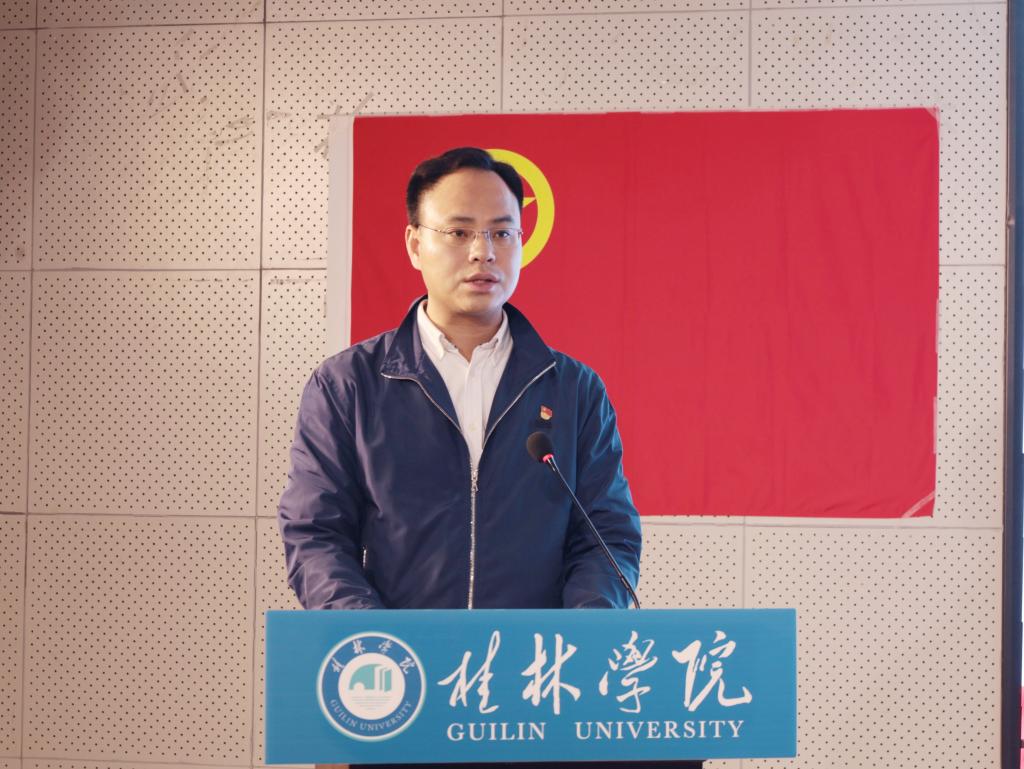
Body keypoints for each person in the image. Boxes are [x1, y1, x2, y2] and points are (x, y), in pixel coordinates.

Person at [277, 146, 642, 611]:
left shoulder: (573, 390)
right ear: (415, 245)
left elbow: (606, 536)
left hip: (535, 653)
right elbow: (316, 535)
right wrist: (371, 635)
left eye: (501, 233)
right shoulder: (347, 386)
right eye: (459, 232)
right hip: (399, 653)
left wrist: (576, 635)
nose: (482, 252)